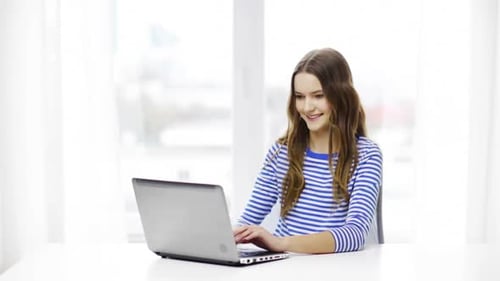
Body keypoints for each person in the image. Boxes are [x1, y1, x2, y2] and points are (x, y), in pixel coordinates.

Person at [233, 48, 383, 254]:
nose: (307, 107)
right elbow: (247, 221)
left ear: (341, 96)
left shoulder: (366, 155)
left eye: (318, 96)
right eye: (299, 97)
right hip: (283, 269)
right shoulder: (281, 153)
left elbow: (355, 234)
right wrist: (223, 240)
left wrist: (281, 243)